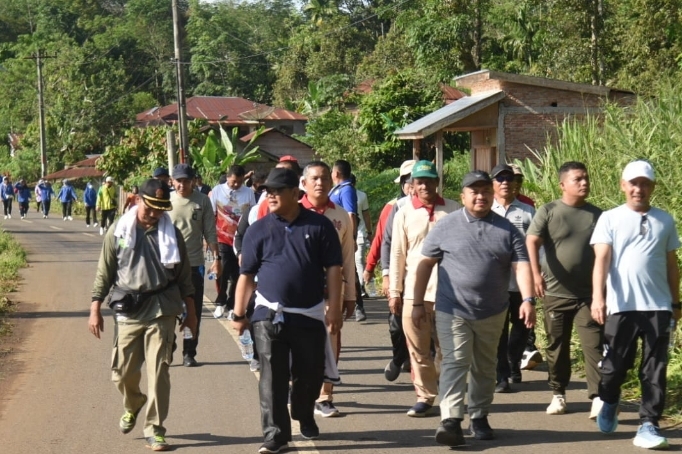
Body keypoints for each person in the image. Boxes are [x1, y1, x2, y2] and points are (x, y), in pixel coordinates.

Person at [412, 170, 535, 447]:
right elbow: (424, 265)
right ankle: (451, 420)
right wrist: (418, 303)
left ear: (492, 194)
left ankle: (479, 416)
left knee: (485, 367)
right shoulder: (446, 225)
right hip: (452, 309)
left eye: (485, 192)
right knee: (455, 363)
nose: (480, 197)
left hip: (493, 311)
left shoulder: (507, 230)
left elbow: (521, 266)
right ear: (463, 196)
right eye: (474, 192)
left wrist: (528, 299)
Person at [231, 168, 343, 454]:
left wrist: (334, 309)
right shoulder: (258, 229)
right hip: (268, 315)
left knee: (310, 375)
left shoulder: (320, 227)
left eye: (277, 191)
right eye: (268, 191)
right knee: (271, 378)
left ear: (296, 193)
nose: (270, 196)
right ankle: (275, 435)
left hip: (308, 314)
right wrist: (239, 313)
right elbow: (246, 274)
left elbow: (333, 268)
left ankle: (304, 412)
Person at [88, 178, 196, 452]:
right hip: (130, 309)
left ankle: (155, 429)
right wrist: (95, 309)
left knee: (159, 370)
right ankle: (133, 402)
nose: (155, 214)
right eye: (150, 207)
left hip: (163, 307)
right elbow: (105, 272)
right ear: (138, 200)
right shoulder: (118, 230)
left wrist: (192, 313)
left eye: (160, 209)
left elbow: (185, 277)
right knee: (122, 373)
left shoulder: (171, 234)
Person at [591, 160, 680, 450]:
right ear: (623, 185)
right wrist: (598, 297)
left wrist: (676, 302)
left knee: (654, 367)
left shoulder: (665, 220)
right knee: (614, 368)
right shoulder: (610, 218)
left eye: (644, 183)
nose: (638, 188)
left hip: (658, 306)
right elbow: (601, 260)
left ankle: (648, 424)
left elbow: (671, 265)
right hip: (622, 305)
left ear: (652, 187)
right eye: (633, 183)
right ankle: (610, 398)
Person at [526, 161, 604, 417]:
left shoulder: (598, 215)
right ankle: (558, 394)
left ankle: (597, 397)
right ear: (563, 185)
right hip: (556, 294)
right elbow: (532, 240)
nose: (584, 183)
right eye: (578, 179)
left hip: (588, 296)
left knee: (593, 345)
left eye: (586, 178)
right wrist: (536, 275)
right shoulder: (548, 211)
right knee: (556, 346)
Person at [389, 160, 460, 417]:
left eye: (430, 180)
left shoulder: (453, 210)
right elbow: (397, 254)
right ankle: (425, 396)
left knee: (448, 349)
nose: (425, 185)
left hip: (450, 293)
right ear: (412, 186)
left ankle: (445, 387)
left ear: (437, 182)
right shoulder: (404, 214)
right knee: (418, 349)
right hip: (414, 294)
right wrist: (394, 292)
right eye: (420, 181)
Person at [299, 161, 356, 418]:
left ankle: (325, 396)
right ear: (304, 183)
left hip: (332, 292)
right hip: (298, 293)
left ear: (332, 181)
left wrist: (351, 295)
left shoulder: (341, 216)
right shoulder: (294, 212)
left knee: (330, 341)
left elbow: (347, 258)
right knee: (298, 344)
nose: (320, 183)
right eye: (314, 178)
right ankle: (299, 391)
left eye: (324, 178)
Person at [364, 159, 415, 382]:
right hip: (397, 274)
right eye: (408, 181)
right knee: (396, 324)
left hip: (426, 278)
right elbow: (382, 240)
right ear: (402, 184)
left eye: (417, 180)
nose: (412, 185)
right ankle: (400, 356)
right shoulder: (392, 207)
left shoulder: (441, 208)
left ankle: (417, 364)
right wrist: (372, 268)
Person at [489, 164, 536, 393]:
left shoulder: (527, 211)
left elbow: (538, 244)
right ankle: (502, 374)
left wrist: (538, 272)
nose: (505, 182)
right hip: (495, 282)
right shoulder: (487, 209)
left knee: (521, 327)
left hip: (521, 280)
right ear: (493, 184)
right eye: (500, 179)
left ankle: (513, 361)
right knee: (498, 329)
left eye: (508, 178)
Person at [168, 164, 221, 367]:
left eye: (186, 181)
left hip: (194, 265)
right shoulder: (166, 201)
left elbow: (210, 231)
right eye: (178, 181)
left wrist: (217, 259)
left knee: (193, 312)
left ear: (193, 181)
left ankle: (189, 352)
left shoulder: (202, 201)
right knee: (169, 309)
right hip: (169, 265)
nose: (182, 185)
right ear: (173, 181)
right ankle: (168, 344)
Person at [209, 164, 256, 319]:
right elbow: (211, 215)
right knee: (223, 270)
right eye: (233, 181)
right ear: (228, 177)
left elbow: (253, 215)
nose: (236, 185)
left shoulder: (248, 193)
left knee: (237, 274)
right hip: (222, 238)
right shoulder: (217, 191)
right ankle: (220, 302)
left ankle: (231, 304)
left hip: (241, 240)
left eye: (239, 182)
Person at [330, 160, 366, 321]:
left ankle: (358, 305)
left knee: (350, 270)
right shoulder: (336, 190)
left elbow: (351, 214)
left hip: (343, 238)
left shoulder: (346, 190)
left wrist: (351, 239)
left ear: (336, 173)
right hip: (333, 238)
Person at [351, 174, 372, 297]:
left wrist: (369, 232)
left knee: (359, 259)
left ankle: (361, 287)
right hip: (346, 232)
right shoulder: (337, 194)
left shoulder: (362, 195)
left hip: (360, 231)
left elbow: (366, 215)